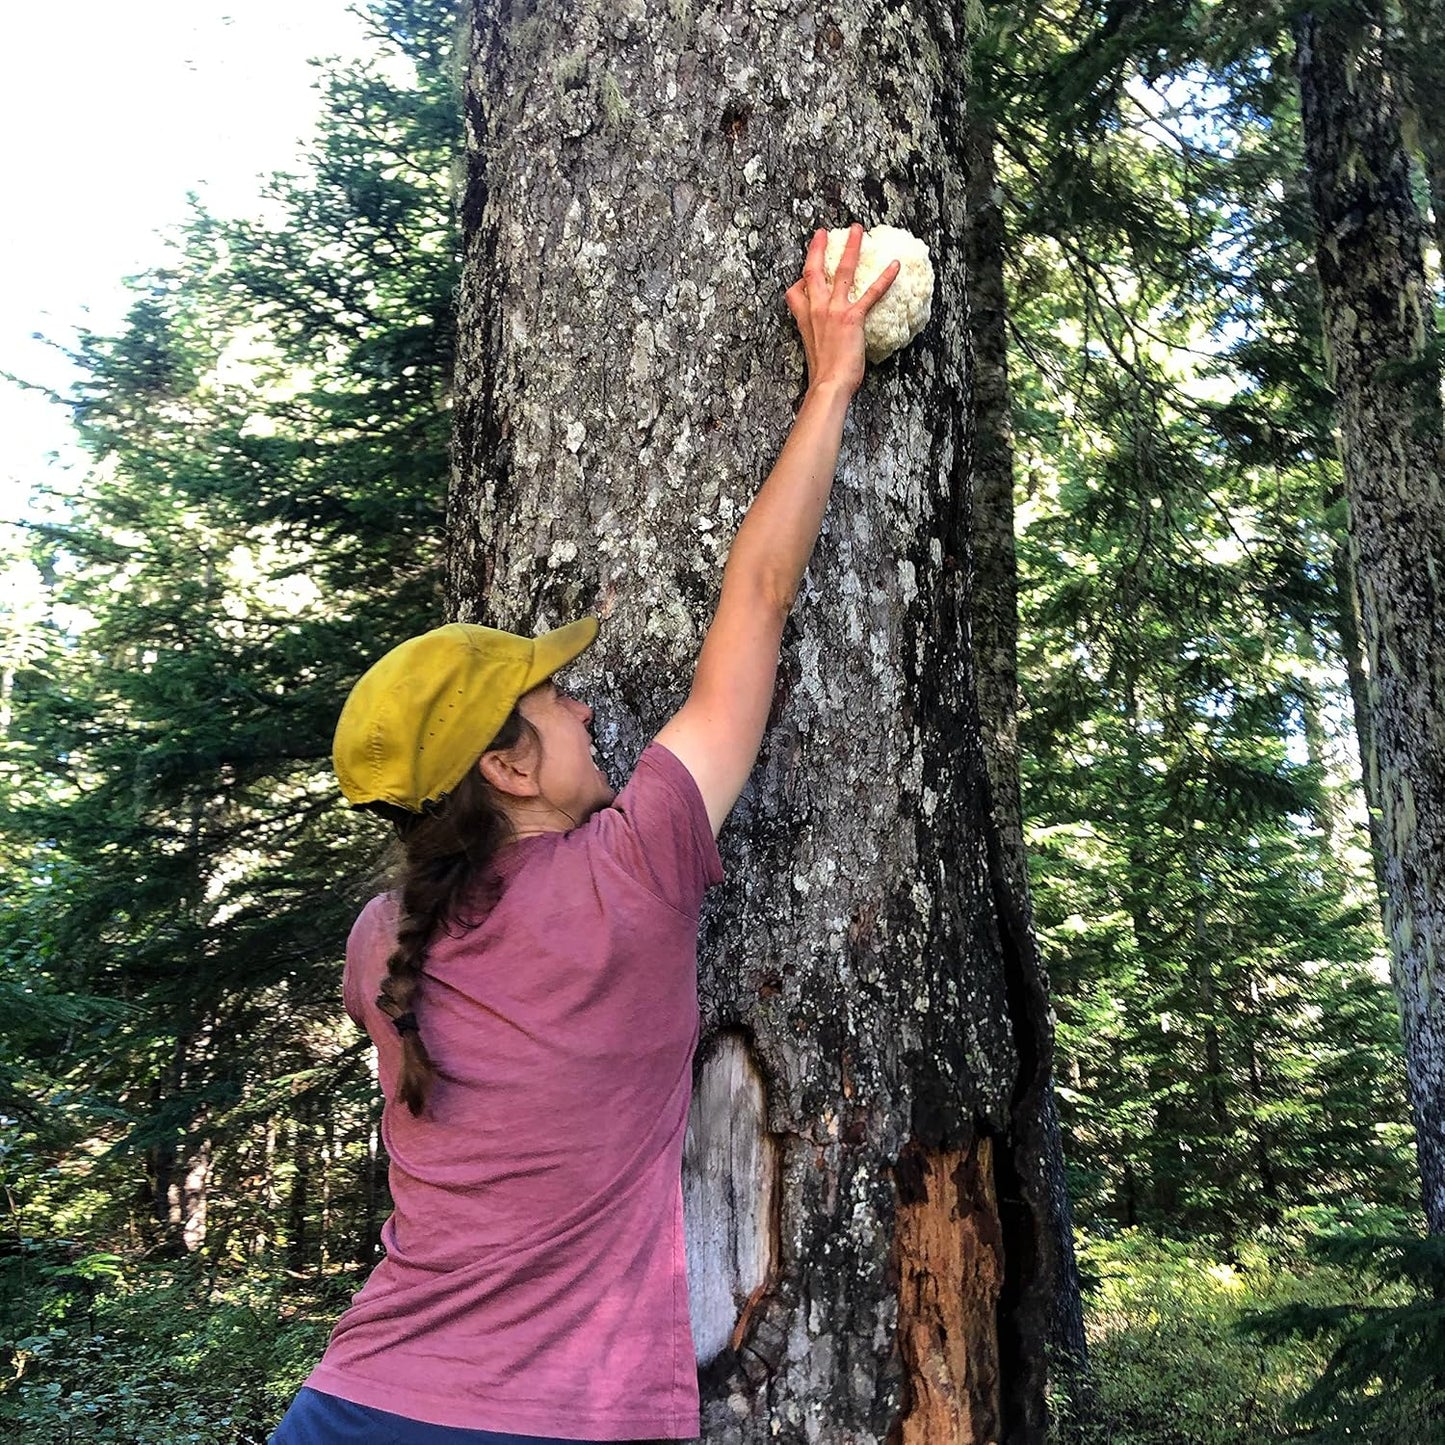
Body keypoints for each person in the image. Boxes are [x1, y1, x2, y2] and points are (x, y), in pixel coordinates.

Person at [269, 224, 899, 1445]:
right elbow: (757, 595)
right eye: (552, 698)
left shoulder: (376, 939)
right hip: (557, 1422)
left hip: (354, 1406)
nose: (586, 702)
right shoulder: (632, 871)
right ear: (504, 765)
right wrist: (828, 380)